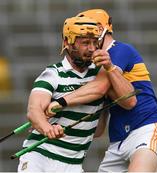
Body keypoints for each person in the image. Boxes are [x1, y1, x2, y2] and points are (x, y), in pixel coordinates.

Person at [48, 9, 157, 172]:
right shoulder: (94, 67)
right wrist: (50, 125)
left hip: (145, 130)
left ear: (99, 29)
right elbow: (98, 130)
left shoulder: (118, 50)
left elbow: (102, 89)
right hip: (118, 143)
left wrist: (59, 102)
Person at [17, 16, 111, 172]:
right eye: (85, 43)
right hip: (39, 155)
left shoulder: (100, 75)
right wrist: (48, 128)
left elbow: (99, 131)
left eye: (95, 43)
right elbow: (34, 111)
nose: (92, 48)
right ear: (68, 43)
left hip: (73, 164)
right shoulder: (52, 74)